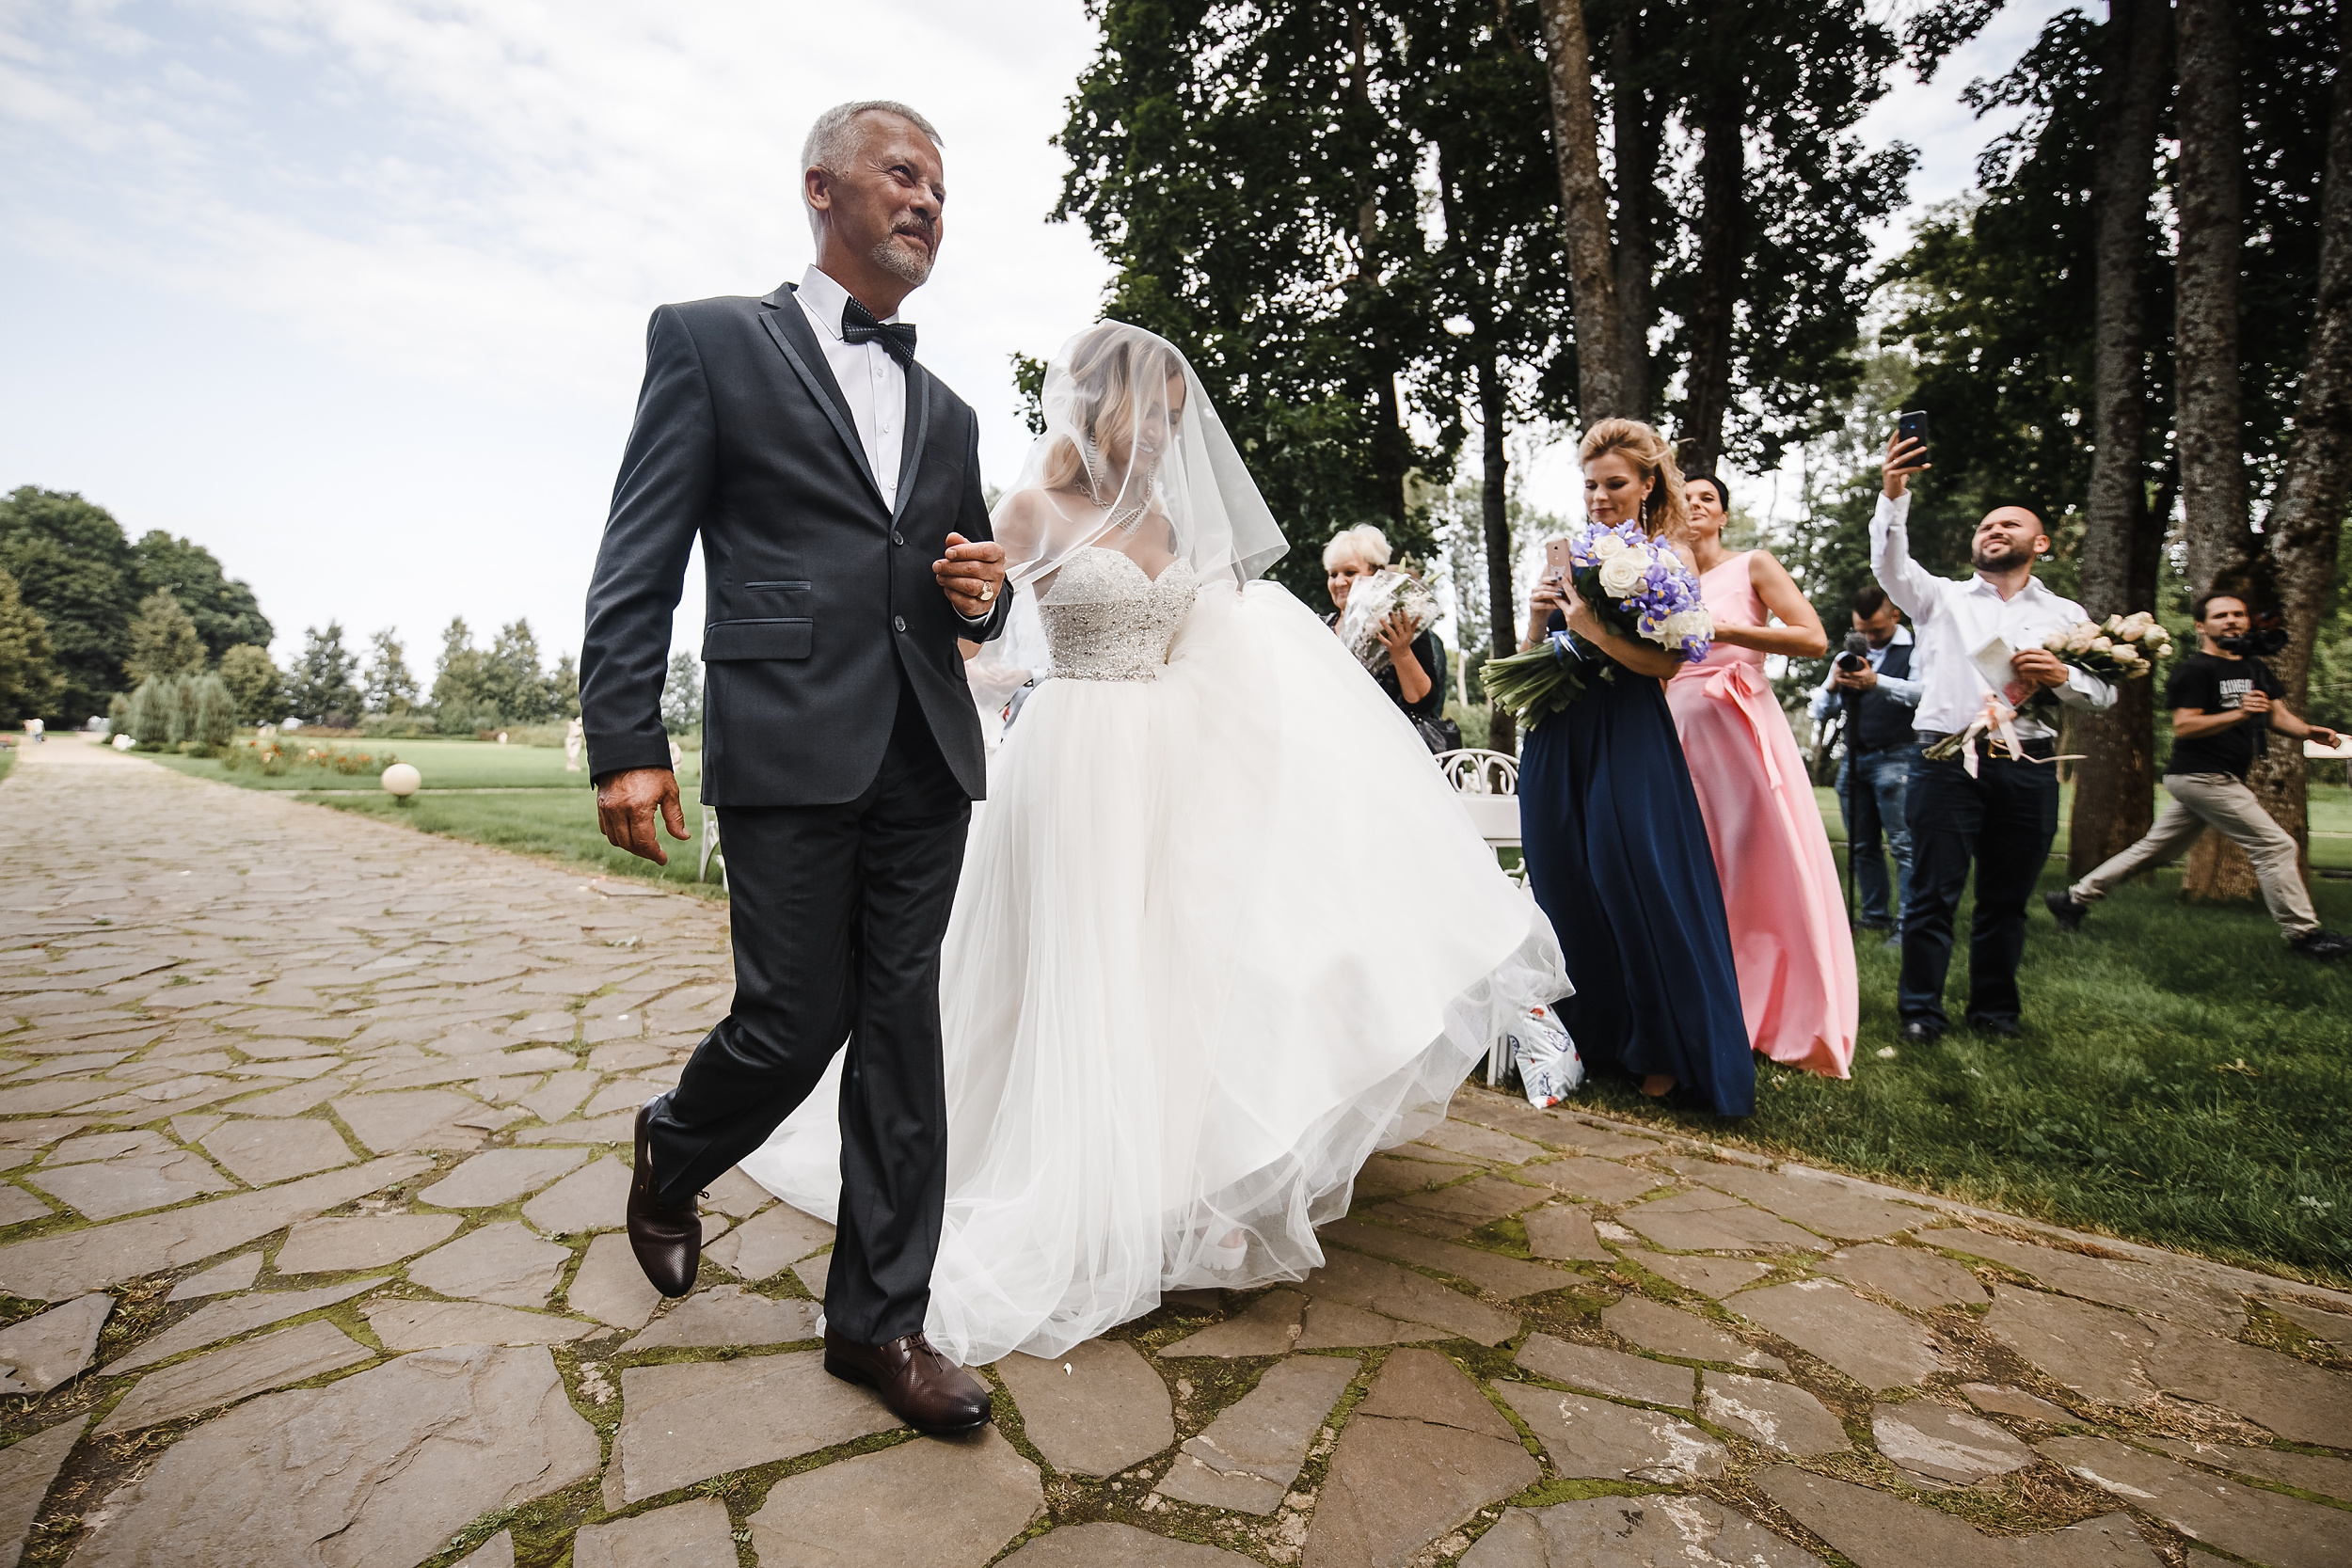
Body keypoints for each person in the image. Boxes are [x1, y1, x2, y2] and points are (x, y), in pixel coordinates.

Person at [740, 323, 1566, 1366]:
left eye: (1179, 416)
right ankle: (1061, 1173)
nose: (1169, 434)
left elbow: (1206, 640)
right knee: (1081, 968)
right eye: (1155, 413)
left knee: (1176, 967)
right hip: (1076, 758)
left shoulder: (1173, 521)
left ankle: (1184, 1179)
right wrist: (967, 691)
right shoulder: (1032, 510)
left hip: (1173, 765)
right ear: (1098, 405)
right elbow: (958, 634)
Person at [580, 101, 1013, 1437]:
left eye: (941, 188)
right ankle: (675, 1145)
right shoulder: (708, 339)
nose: (926, 201)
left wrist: (984, 594)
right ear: (821, 187)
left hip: (925, 749)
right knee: (791, 1017)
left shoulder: (951, 409)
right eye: (903, 173)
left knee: (901, 1032)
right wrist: (626, 739)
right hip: (784, 738)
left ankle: (880, 1321)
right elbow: (640, 553)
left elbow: (967, 583)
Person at [1516, 420, 1752, 1116]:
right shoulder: (1568, 555)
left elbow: (1670, 664)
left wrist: (1592, 628)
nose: (1599, 496)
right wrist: (1537, 617)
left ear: (1648, 484)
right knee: (1564, 878)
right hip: (1559, 729)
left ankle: (1665, 1047)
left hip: (1626, 729)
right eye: (1590, 484)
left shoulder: (1670, 558)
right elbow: (1531, 657)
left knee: (1633, 878)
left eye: (1614, 483)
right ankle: (1590, 1035)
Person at [1871, 433, 2115, 1042]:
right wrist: (1894, 492)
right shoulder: (1938, 598)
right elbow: (1889, 564)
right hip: (1946, 762)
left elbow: (2105, 694)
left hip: (2029, 764)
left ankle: (1995, 1014)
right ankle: (1920, 1012)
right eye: (1986, 525)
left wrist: (2063, 677)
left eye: (2009, 524)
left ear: (2041, 543)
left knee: (2006, 900)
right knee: (1932, 893)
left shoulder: (2067, 616)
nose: (1994, 530)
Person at [1665, 471, 1855, 1079]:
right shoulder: (1659, 576)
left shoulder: (1753, 565)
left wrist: (1720, 630)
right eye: (1686, 497)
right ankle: (1703, 1002)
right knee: (1691, 866)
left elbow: (1812, 638)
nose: (1696, 504)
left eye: (1708, 498)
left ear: (1723, 516)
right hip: (1672, 730)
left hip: (1736, 729)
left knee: (1752, 867)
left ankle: (1773, 1007)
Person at [2049, 592, 2350, 958]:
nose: (2232, 620)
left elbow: (2276, 714)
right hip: (2202, 775)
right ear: (2201, 626)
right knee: (2275, 846)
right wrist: (2240, 714)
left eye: (2238, 614)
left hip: (2218, 776)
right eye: (2221, 615)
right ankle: (2304, 936)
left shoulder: (2254, 666)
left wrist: (2308, 732)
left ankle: (2072, 899)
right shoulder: (2195, 670)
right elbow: (2185, 726)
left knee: (2154, 850)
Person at [1806, 586, 1924, 939]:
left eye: (1877, 630)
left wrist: (1876, 682)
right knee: (1860, 843)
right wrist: (1833, 686)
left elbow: (1922, 694)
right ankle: (1874, 914)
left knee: (1904, 844)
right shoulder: (1849, 655)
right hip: (1855, 758)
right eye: (1863, 631)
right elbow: (1820, 710)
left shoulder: (1917, 649)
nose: (1870, 638)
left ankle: (1908, 922)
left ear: (1895, 616)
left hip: (1899, 754)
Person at [1323, 523, 1448, 727]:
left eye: (1350, 572)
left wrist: (1402, 653)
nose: (1339, 582)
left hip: (1388, 735)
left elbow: (1424, 703)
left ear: (1376, 575)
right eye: (1333, 574)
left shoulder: (1402, 623)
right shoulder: (1319, 627)